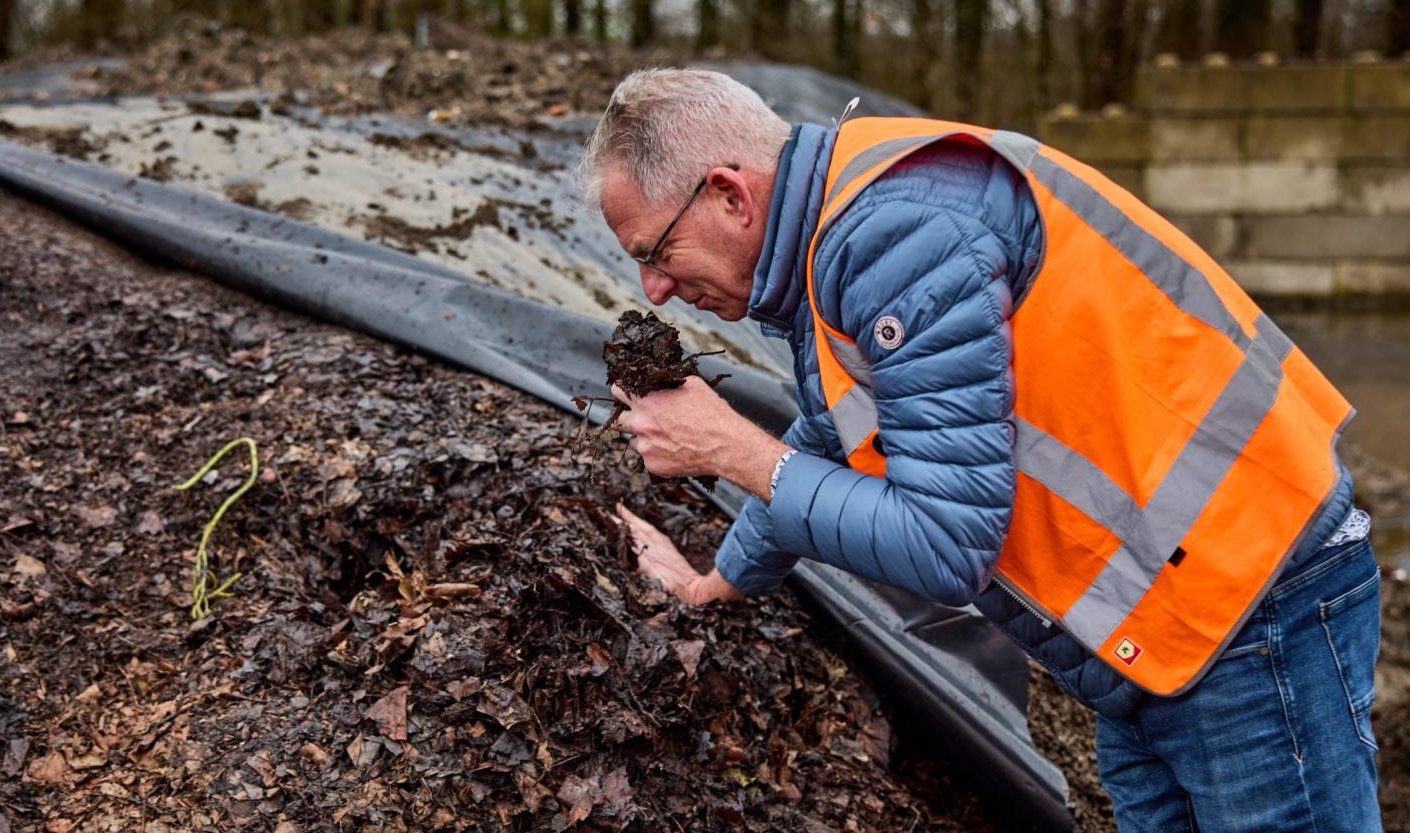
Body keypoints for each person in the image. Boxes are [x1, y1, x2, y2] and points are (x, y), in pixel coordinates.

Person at [583, 68, 1384, 831]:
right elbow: (833, 430)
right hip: (1166, 626)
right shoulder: (841, 226)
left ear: (728, 194)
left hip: (1246, 606)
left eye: (655, 253)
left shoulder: (892, 237)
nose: (652, 288)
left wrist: (730, 450)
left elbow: (945, 543)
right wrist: (716, 581)